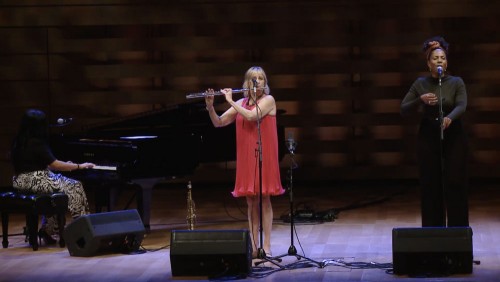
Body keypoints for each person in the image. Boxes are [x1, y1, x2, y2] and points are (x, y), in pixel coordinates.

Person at [205, 66, 285, 258]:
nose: (257, 82)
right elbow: (218, 122)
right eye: (253, 79)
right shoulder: (241, 102)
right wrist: (210, 107)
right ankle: (254, 245)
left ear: (265, 83)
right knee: (251, 201)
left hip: (264, 155)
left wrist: (231, 101)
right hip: (246, 158)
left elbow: (252, 116)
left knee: (264, 198)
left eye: (261, 79)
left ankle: (266, 246)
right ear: (247, 83)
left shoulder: (269, 101)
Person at [400, 36, 469, 227]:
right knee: (431, 185)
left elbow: (462, 105)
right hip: (429, 135)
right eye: (435, 58)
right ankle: (433, 234)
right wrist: (420, 100)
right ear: (428, 63)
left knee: (455, 182)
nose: (440, 61)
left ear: (446, 63)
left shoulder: (456, 82)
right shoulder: (420, 84)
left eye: (443, 58)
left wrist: (450, 117)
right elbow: (404, 108)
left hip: (453, 134)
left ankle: (458, 234)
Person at [11, 109, 95, 244]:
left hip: (20, 180)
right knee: (75, 186)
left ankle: (47, 230)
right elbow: (55, 165)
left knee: (55, 195)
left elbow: (37, 164)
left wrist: (65, 165)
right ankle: (83, 231)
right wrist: (79, 166)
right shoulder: (37, 142)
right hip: (36, 179)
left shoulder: (19, 141)